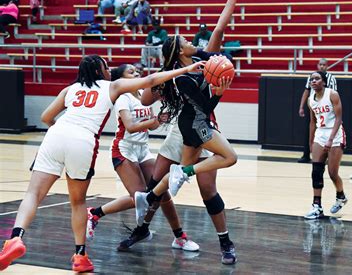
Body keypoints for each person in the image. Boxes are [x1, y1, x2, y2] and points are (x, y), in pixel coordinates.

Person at [0, 55, 203, 272]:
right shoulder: (112, 86)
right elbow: (151, 80)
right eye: (106, 66)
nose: (110, 69)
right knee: (77, 202)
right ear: (99, 71)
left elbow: (46, 117)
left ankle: (15, 238)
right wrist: (186, 69)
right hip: (84, 139)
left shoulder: (70, 89)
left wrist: (58, 133)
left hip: (57, 134)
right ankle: (79, 256)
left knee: (33, 194)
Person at [133, 0, 253, 265]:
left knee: (206, 190)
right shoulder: (178, 77)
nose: (190, 39)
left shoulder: (203, 61)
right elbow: (148, 99)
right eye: (185, 40)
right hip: (187, 124)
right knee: (160, 178)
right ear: (178, 53)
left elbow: (219, 31)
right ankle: (143, 226)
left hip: (199, 123)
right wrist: (153, 79)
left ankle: (225, 242)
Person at [85, 64, 199, 252]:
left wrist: (160, 120)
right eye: (131, 72)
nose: (136, 73)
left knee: (162, 193)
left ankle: (179, 237)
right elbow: (129, 126)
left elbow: (149, 127)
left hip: (143, 150)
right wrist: (154, 121)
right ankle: (95, 213)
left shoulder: (141, 96)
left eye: (137, 71)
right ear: (120, 79)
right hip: (124, 149)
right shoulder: (123, 97)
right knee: (140, 198)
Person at [304, 71, 348, 220]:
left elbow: (339, 118)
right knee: (316, 171)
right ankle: (317, 206)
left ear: (323, 81)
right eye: (311, 79)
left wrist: (330, 139)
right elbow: (312, 122)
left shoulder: (332, 94)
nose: (313, 81)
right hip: (320, 134)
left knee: (332, 173)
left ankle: (341, 196)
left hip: (335, 134)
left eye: (317, 79)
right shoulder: (310, 100)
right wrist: (311, 142)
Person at [298, 58, 337, 163]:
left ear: (327, 66)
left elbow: (334, 95)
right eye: (320, 64)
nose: (322, 66)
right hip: (313, 107)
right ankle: (306, 154)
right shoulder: (311, 77)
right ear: (317, 65)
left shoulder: (331, 78)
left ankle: (328, 155)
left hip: (326, 109)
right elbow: (306, 91)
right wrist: (301, 106)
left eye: (324, 65)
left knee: (326, 130)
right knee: (310, 129)